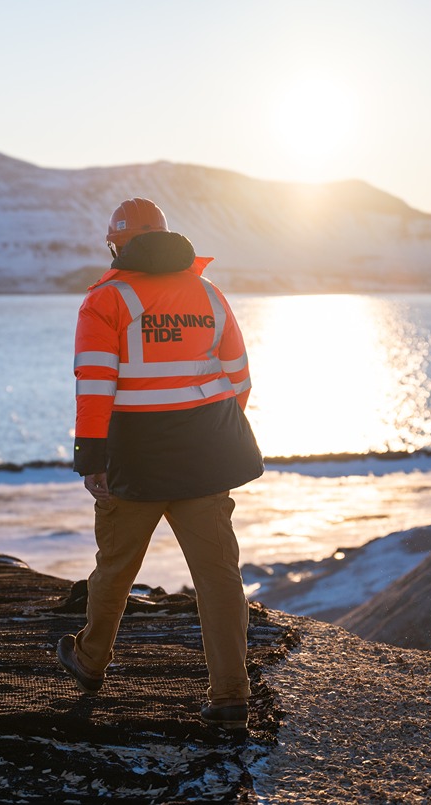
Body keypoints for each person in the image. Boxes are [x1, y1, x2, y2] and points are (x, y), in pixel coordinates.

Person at [56, 197, 264, 729]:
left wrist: (91, 459)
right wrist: (209, 430)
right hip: (206, 459)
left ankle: (89, 661)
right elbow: (239, 377)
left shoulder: (106, 300)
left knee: (116, 568)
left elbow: (95, 387)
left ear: (117, 245)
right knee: (219, 577)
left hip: (136, 463)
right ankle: (230, 696)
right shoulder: (208, 294)